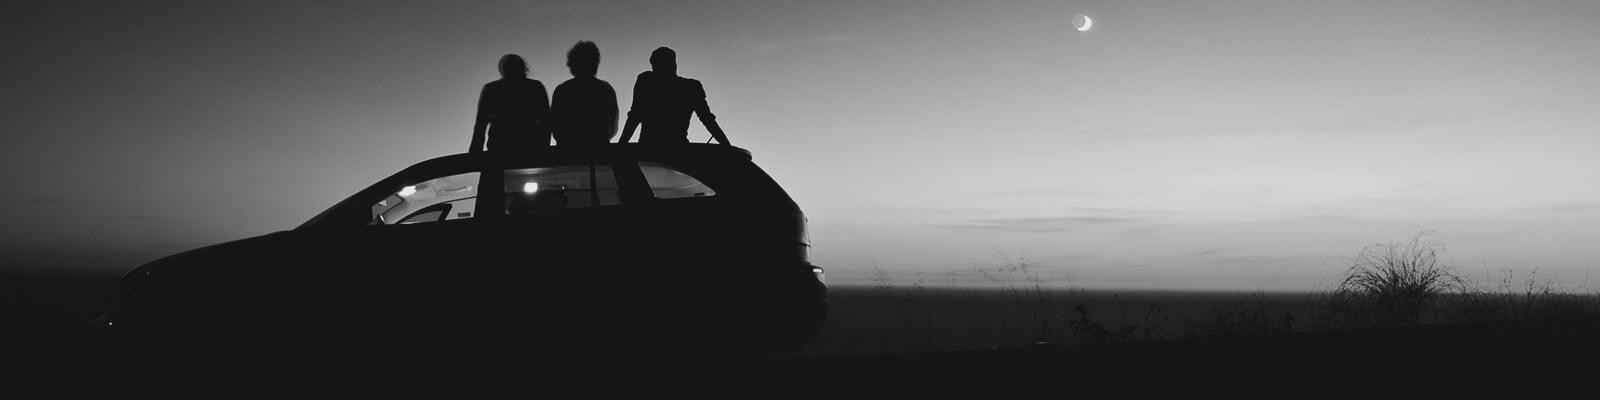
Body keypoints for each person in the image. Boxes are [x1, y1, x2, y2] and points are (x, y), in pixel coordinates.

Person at [618, 46, 731, 146]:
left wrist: (621, 145)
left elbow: (635, 116)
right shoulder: (691, 87)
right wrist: (728, 147)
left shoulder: (646, 80)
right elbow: (708, 120)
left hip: (651, 150)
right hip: (671, 150)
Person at [469, 54, 549, 152]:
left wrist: (474, 153)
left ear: (502, 70)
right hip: (529, 147)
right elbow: (545, 121)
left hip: (499, 147)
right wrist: (543, 148)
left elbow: (480, 125)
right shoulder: (535, 87)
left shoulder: (491, 89)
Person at [547, 41, 618, 147]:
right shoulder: (605, 89)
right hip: (598, 148)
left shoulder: (562, 90)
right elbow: (612, 126)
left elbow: (555, 125)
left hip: (567, 149)